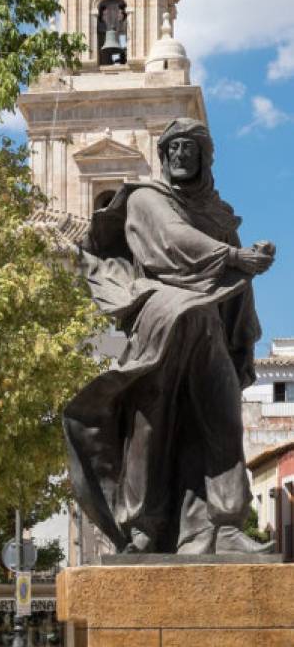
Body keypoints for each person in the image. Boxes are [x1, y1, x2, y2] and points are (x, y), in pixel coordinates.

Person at [64, 118, 275, 554]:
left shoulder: (217, 213)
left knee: (222, 417)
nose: (181, 155)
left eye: (190, 149)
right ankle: (144, 526)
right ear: (163, 156)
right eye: (173, 148)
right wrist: (235, 256)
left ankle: (226, 524)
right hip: (162, 314)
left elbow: (237, 282)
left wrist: (250, 262)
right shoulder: (145, 198)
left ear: (204, 159)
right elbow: (172, 241)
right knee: (151, 421)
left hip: (207, 325)